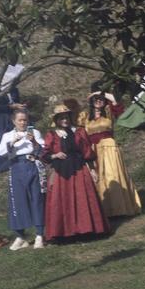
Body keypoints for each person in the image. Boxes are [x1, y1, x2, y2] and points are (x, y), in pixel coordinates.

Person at [41, 102, 108, 242]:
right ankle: (66, 232)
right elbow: (45, 154)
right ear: (56, 120)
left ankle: (86, 230)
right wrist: (55, 155)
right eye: (61, 118)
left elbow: (87, 151)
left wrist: (92, 169)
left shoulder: (79, 131)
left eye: (66, 117)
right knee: (62, 201)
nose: (64, 120)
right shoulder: (51, 134)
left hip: (79, 168)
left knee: (82, 199)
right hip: (61, 172)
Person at [80, 92, 142, 218]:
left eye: (101, 99)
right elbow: (80, 134)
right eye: (96, 99)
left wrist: (100, 92)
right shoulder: (85, 116)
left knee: (113, 175)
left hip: (109, 148)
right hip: (93, 150)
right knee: (98, 177)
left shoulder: (108, 112)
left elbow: (115, 101)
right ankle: (103, 210)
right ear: (91, 102)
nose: (99, 101)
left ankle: (119, 209)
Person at [0, 107, 46, 249]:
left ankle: (39, 234)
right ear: (14, 121)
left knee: (37, 198)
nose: (23, 123)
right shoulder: (8, 135)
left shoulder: (34, 132)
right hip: (17, 167)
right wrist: (12, 142)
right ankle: (20, 235)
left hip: (32, 165)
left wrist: (34, 141)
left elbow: (43, 149)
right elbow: (0, 152)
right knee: (18, 200)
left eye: (25, 120)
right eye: (20, 120)